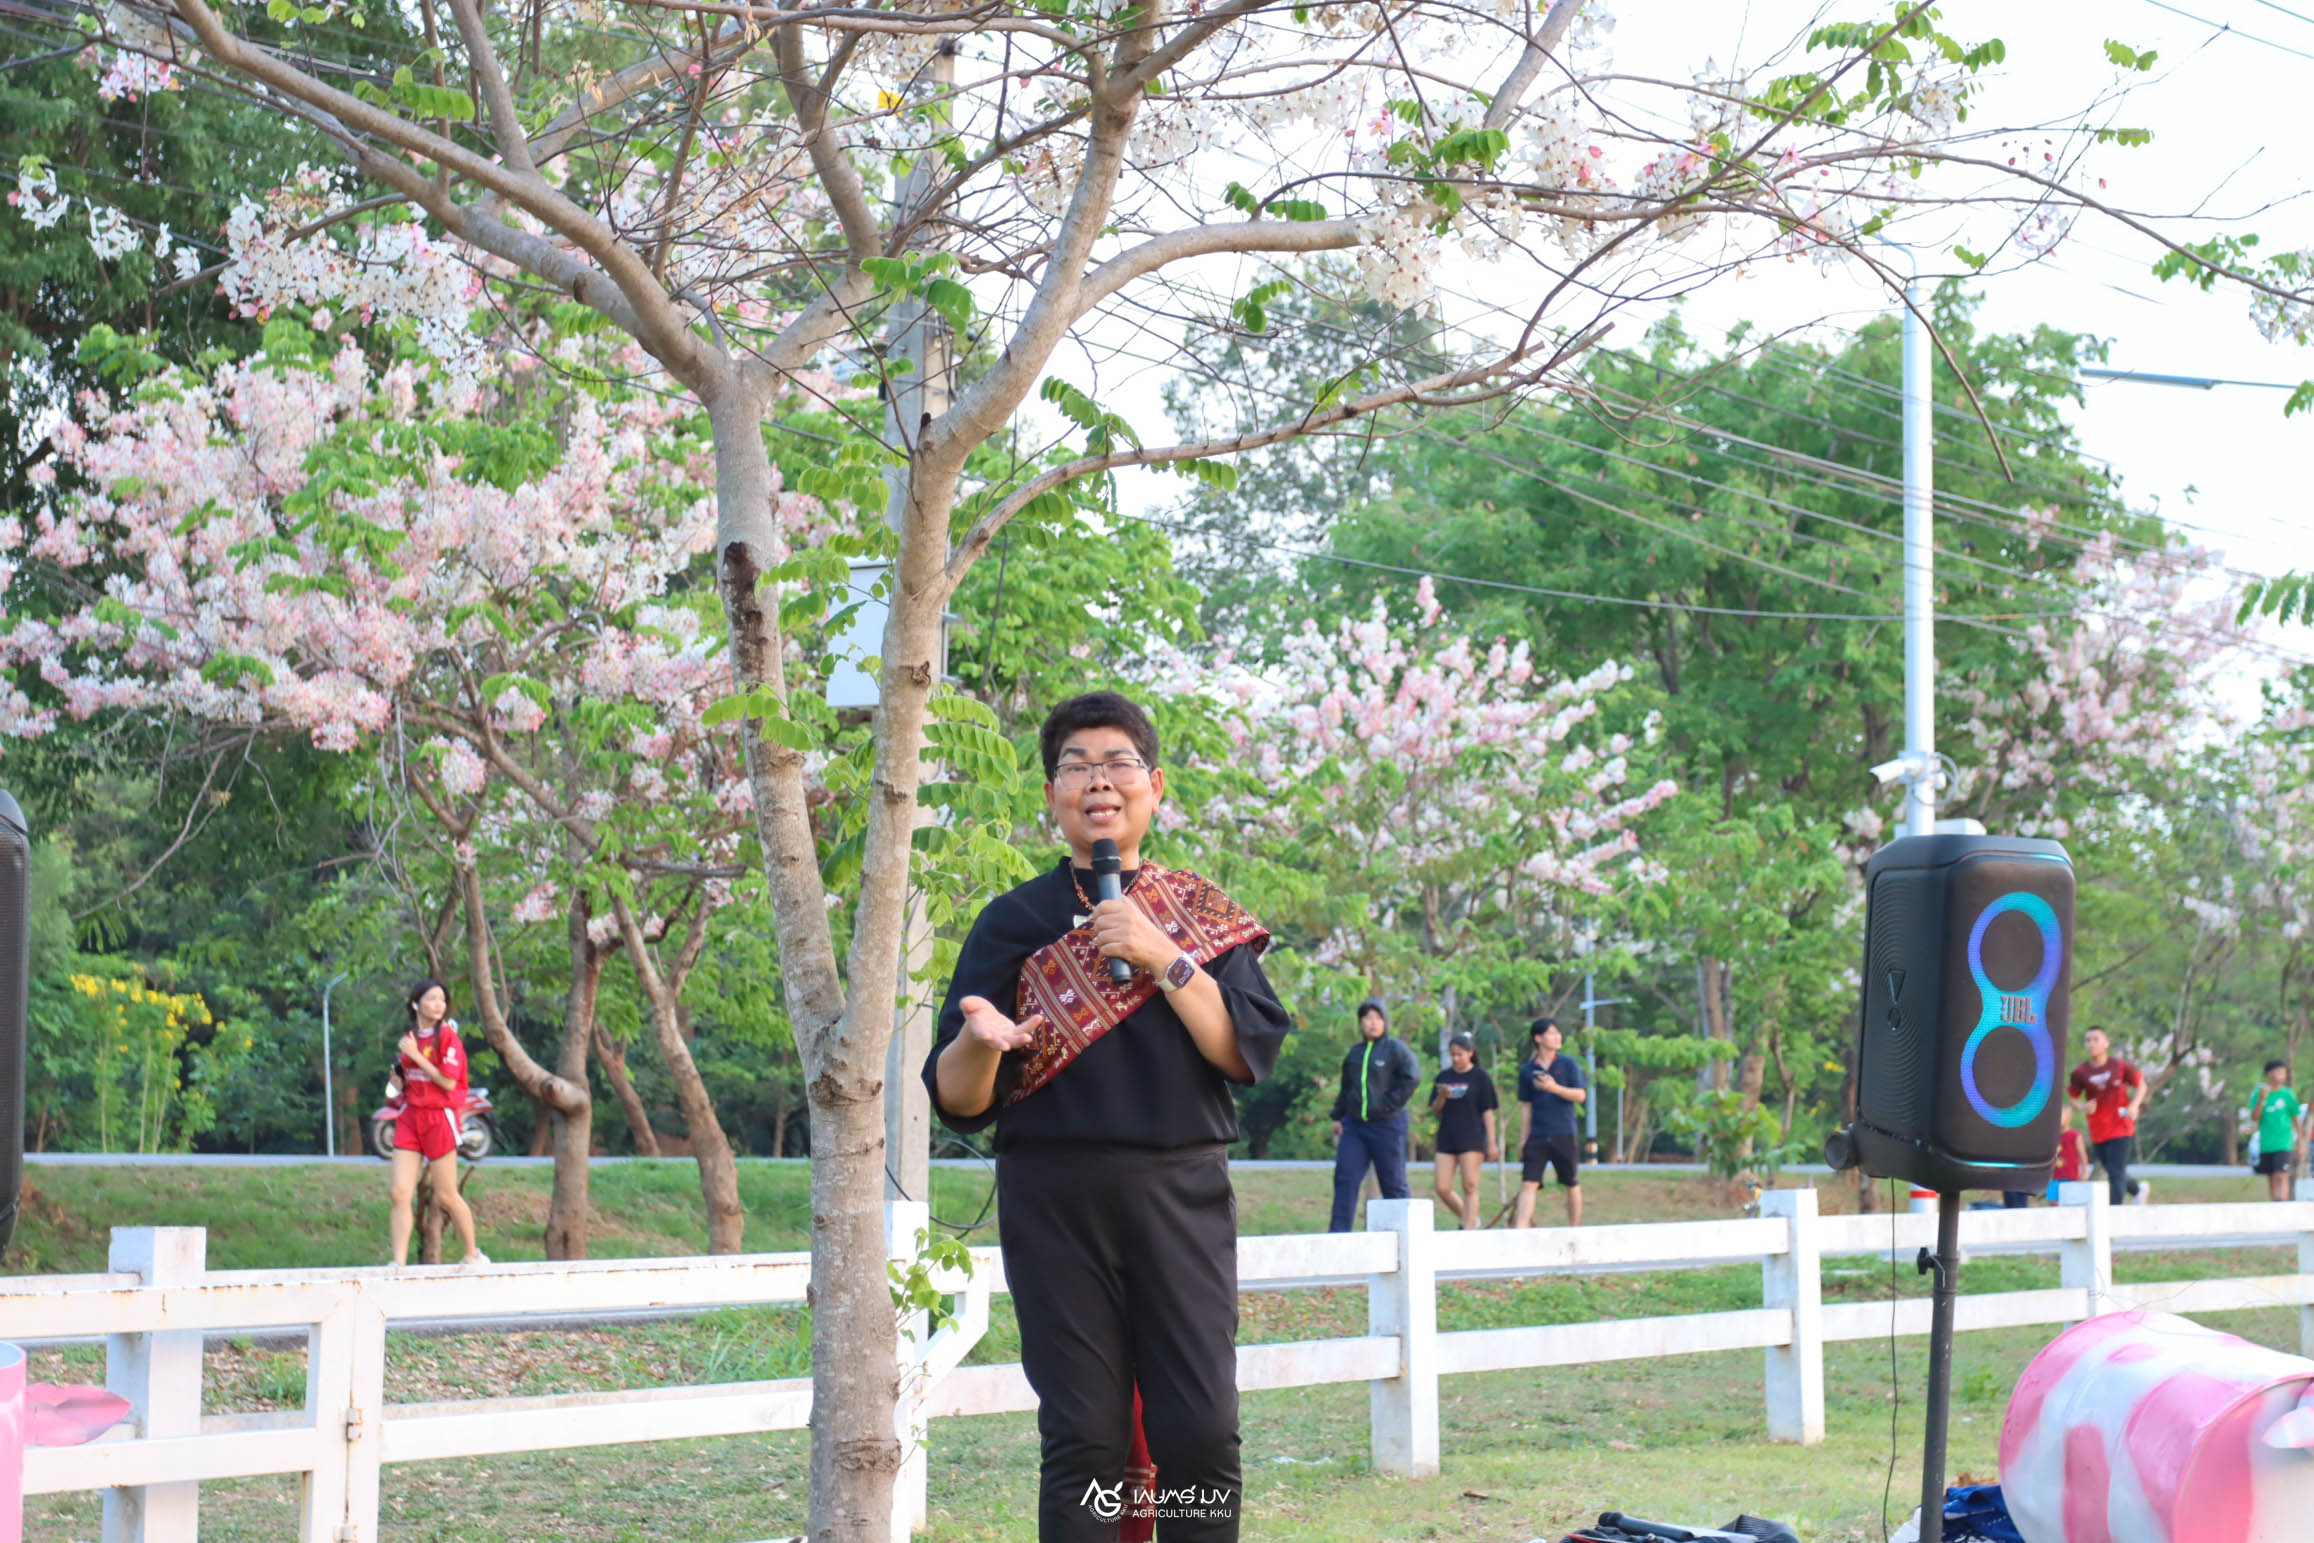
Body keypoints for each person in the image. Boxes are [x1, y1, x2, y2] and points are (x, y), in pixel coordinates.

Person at [923, 691, 1290, 1542]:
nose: (1098, 781)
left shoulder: (1200, 915)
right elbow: (959, 1099)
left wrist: (1164, 954)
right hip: (1054, 1198)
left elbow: (1244, 1054)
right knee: (1084, 1435)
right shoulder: (1012, 922)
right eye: (1076, 766)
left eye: (1118, 763)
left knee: (1201, 1429)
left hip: (1181, 1192)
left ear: (1153, 787)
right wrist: (981, 1040)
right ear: (1051, 795)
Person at [388, 978, 486, 1268]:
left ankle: (473, 1254)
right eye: (431, 999)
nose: (438, 1005)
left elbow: (447, 1081)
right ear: (415, 1003)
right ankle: (398, 1264)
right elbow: (398, 1086)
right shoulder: (409, 1039)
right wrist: (397, 1079)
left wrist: (416, 1056)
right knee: (399, 1193)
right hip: (410, 1116)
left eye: (442, 1000)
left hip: (439, 1117)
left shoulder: (447, 1038)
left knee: (445, 1194)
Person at [1327, 1000, 1421, 1233]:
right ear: (1360, 1022)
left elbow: (1412, 1078)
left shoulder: (1395, 1049)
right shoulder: (1355, 1053)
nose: (1373, 1023)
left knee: (1393, 1184)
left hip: (1388, 1125)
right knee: (1345, 1179)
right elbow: (1346, 1088)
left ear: (1385, 1021)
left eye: (1378, 1018)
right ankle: (1338, 1238)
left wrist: (1388, 1105)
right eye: (1368, 1018)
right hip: (1355, 1127)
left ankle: (1404, 1236)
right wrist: (1337, 1116)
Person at [1513, 1017, 1586, 1228]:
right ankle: (1520, 1231)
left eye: (1558, 1033)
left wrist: (1555, 1088)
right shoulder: (1527, 1070)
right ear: (1538, 1038)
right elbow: (1526, 1107)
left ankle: (1574, 1230)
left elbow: (1580, 1095)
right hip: (1537, 1134)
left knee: (1571, 1182)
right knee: (1529, 1183)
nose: (1557, 1037)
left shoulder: (1568, 1064)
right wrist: (1523, 1139)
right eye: (1552, 1033)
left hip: (1564, 1131)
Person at [2068, 1028, 2147, 1207]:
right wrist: (2082, 1107)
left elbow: (2141, 1085)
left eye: (2096, 1039)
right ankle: (2137, 1190)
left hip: (2121, 1127)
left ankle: (2114, 1213)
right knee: (2113, 1170)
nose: (2091, 1043)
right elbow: (2073, 1098)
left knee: (2115, 1172)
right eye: (2088, 1040)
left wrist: (2134, 1105)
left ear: (2106, 1043)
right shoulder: (2081, 1072)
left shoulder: (2119, 1066)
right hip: (2098, 1130)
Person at [1428, 1032, 1500, 1230]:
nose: (1455, 1058)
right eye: (1452, 1054)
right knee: (1442, 1187)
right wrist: (1442, 1096)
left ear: (1470, 1053)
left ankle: (1468, 1229)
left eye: (1459, 1054)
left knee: (1470, 1184)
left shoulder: (1480, 1077)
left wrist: (1492, 1142)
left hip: (1472, 1136)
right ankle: (1470, 1219)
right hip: (1447, 1137)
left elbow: (1488, 1112)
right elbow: (1435, 1110)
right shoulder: (1444, 1077)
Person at [2249, 1059, 2306, 1203]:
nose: (2282, 1075)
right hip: (2266, 1143)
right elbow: (2255, 1118)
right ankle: (2275, 1205)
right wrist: (2261, 1100)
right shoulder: (2259, 1093)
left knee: (2281, 1174)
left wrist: (2301, 1143)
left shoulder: (2288, 1094)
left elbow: (2296, 1120)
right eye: (2279, 1072)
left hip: (2284, 1143)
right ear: (2270, 1074)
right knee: (2271, 1177)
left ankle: (2282, 1204)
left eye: (2284, 1072)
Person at [2042, 1103, 2089, 1202]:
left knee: (2069, 1200)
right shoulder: (2052, 1136)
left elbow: (2082, 1155)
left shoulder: (2075, 1135)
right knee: (2052, 1201)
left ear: (2069, 1118)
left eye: (2061, 1115)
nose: (2057, 1118)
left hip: (2070, 1176)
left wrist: (2085, 1171)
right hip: (2054, 1177)